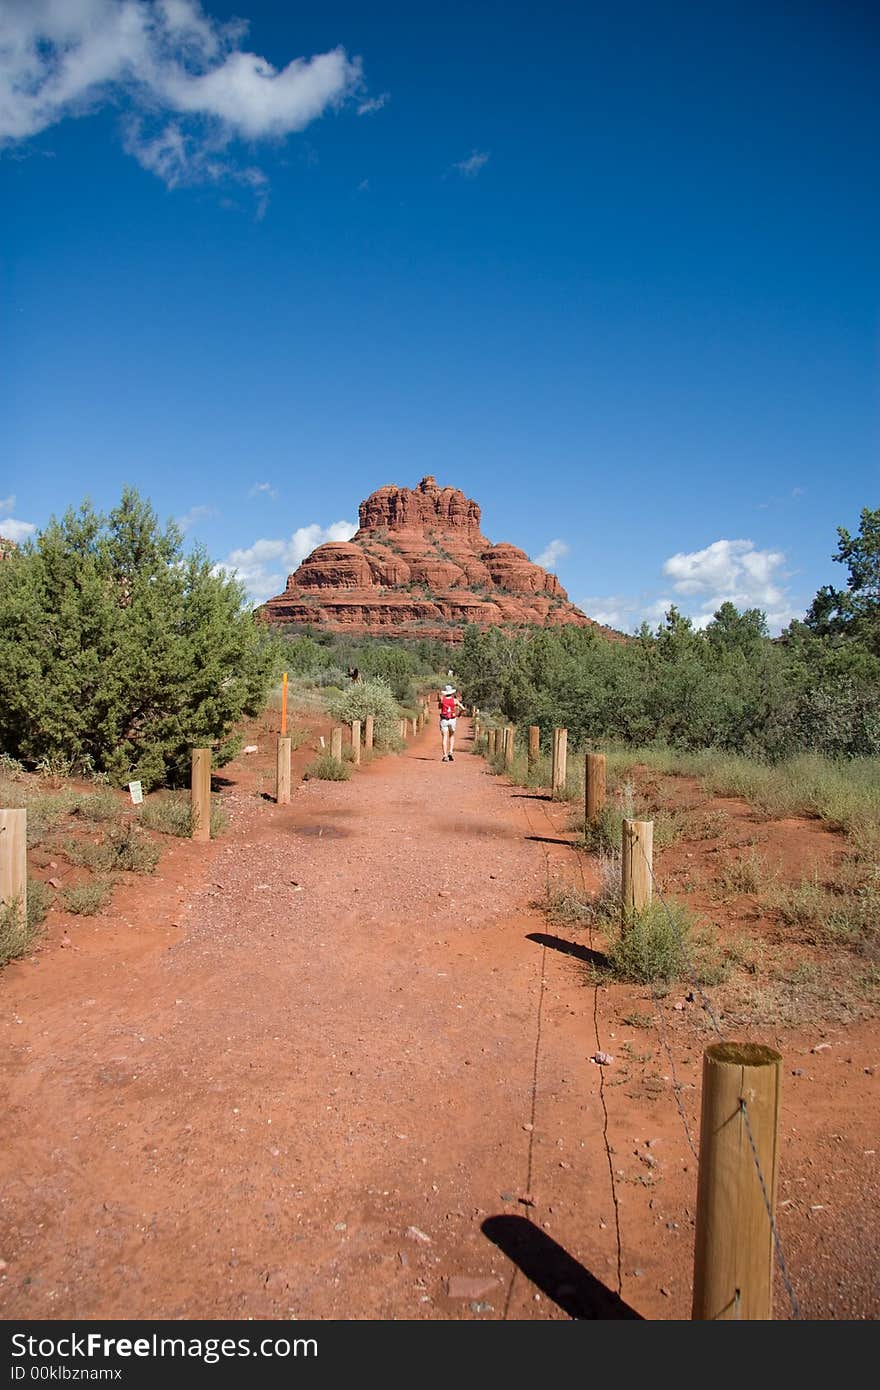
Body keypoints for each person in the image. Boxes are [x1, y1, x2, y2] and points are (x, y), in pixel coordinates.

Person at [438, 683, 464, 762]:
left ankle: (445, 755)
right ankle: (451, 752)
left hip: (444, 720)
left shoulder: (442, 700)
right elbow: (463, 708)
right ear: (452, 693)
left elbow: (439, 707)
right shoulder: (455, 700)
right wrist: (459, 714)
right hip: (452, 719)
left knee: (444, 737)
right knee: (452, 735)